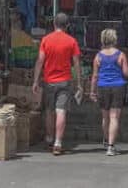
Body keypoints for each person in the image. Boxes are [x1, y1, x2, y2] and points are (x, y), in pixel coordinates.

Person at [31, 12, 82, 156]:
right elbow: (76, 63)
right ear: (67, 26)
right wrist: (79, 82)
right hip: (65, 81)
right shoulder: (71, 41)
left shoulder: (46, 40)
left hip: (49, 81)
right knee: (61, 111)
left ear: (54, 24)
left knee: (49, 111)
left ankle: (49, 139)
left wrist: (35, 80)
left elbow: (40, 60)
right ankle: (58, 143)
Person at [90, 28, 128, 157]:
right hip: (118, 87)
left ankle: (106, 140)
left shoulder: (98, 56)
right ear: (114, 39)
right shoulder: (121, 55)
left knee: (105, 117)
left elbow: (95, 76)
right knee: (114, 117)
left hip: (102, 87)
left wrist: (92, 91)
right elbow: (126, 73)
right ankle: (111, 147)